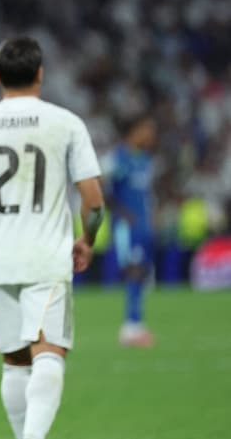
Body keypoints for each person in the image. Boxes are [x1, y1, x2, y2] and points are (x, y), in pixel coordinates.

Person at [0, 36, 105, 439]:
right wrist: (87, 238)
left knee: (15, 361)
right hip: (47, 257)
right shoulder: (65, 124)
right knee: (48, 353)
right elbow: (94, 201)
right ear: (40, 74)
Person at [104, 115, 157, 347]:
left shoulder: (144, 159)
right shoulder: (119, 158)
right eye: (146, 129)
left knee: (142, 272)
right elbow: (101, 188)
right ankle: (131, 327)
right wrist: (122, 213)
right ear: (133, 131)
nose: (150, 135)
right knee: (133, 271)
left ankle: (136, 323)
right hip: (127, 227)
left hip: (143, 226)